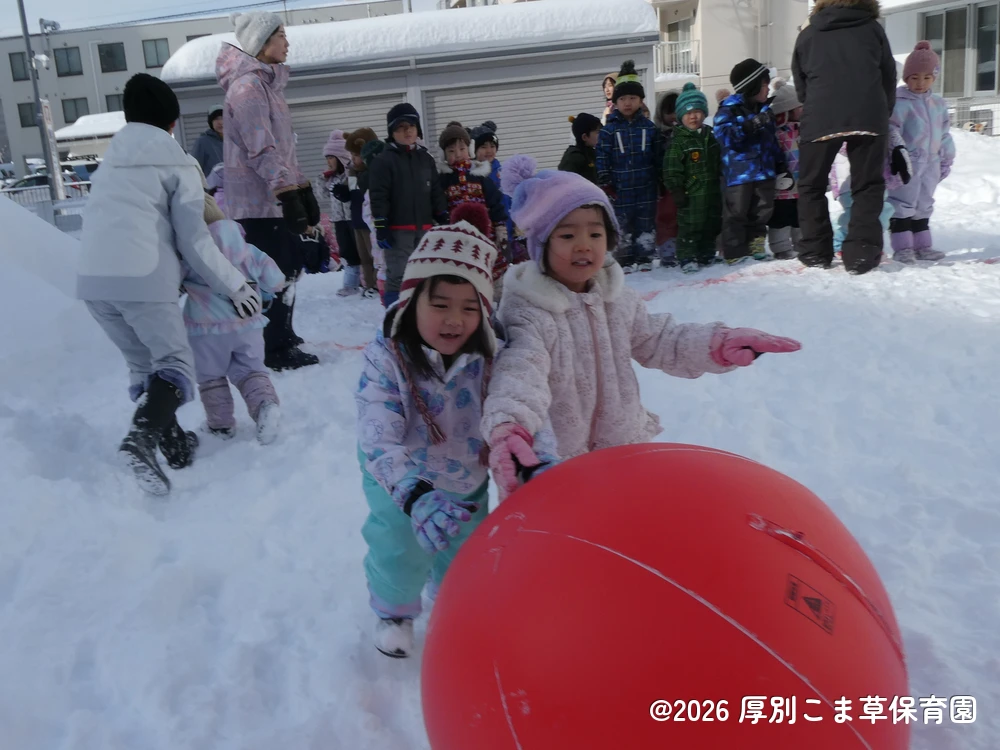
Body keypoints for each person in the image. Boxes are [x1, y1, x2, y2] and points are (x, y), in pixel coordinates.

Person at [482, 156, 801, 498]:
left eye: (595, 232)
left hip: (621, 451)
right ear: (541, 244)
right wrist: (510, 428)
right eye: (567, 234)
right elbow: (520, 373)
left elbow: (661, 339)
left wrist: (717, 343)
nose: (584, 245)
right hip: (555, 467)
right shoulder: (530, 311)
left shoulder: (616, 299)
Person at [356, 202, 556, 658]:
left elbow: (520, 407)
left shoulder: (493, 352)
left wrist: (534, 457)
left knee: (464, 549)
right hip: (400, 478)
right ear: (411, 301)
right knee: (399, 546)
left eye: (470, 308)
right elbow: (377, 434)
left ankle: (452, 601)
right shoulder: (386, 356)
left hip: (466, 471)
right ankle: (395, 611)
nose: (454, 319)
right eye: (440, 304)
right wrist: (413, 493)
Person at [77, 73, 260, 496]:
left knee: (146, 368)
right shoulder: (176, 161)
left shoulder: (111, 161)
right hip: (142, 278)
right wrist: (237, 286)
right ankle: (139, 440)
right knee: (175, 368)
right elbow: (195, 240)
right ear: (173, 122)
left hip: (92, 283)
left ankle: (175, 447)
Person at [218, 12, 321, 370]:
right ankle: (271, 348)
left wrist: (301, 187)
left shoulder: (268, 87)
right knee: (275, 272)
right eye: (281, 35)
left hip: (274, 198)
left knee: (291, 266)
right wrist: (287, 193)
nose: (287, 42)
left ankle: (283, 334)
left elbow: (283, 148)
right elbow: (260, 148)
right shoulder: (248, 88)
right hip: (257, 203)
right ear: (262, 43)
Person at [792, 0, 898, 274]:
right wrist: (882, 112)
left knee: (811, 186)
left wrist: (815, 106)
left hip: (821, 116)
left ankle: (816, 252)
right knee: (868, 185)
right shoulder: (873, 29)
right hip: (869, 116)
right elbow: (888, 74)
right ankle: (861, 253)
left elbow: (800, 80)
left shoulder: (808, 33)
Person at [185, 194, 285, 444]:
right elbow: (276, 279)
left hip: (205, 329)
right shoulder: (248, 250)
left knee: (211, 377)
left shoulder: (191, 254)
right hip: (248, 324)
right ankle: (265, 406)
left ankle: (220, 425)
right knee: (251, 371)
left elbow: (170, 282)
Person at [369, 102, 449, 308]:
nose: (407, 131)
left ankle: (422, 317)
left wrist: (442, 215)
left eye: (411, 126)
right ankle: (394, 320)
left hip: (425, 229)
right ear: (391, 132)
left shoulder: (425, 159)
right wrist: (381, 226)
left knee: (425, 274)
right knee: (398, 275)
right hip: (398, 231)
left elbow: (435, 191)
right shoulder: (383, 161)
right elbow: (379, 198)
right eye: (401, 127)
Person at [886, 42, 955, 263]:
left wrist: (947, 157)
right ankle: (903, 248)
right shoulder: (899, 102)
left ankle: (923, 246)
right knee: (903, 204)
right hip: (909, 163)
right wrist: (895, 156)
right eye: (914, 77)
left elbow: (944, 132)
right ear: (906, 78)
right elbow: (892, 130)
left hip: (932, 162)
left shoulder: (938, 103)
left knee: (924, 203)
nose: (920, 83)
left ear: (934, 77)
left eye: (926, 77)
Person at [713, 59, 784, 264]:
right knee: (736, 213)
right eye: (764, 85)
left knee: (762, 212)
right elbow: (724, 136)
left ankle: (756, 244)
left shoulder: (765, 110)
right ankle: (734, 251)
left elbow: (772, 140)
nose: (767, 89)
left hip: (764, 171)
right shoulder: (729, 109)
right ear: (751, 86)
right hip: (739, 173)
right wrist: (749, 125)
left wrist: (780, 164)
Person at [596, 60, 663, 272]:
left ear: (641, 100)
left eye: (632, 98)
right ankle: (623, 259)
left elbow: (658, 156)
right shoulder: (609, 131)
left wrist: (661, 179)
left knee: (645, 223)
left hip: (646, 186)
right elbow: (602, 156)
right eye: (622, 98)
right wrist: (605, 180)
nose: (627, 103)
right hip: (620, 189)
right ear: (615, 101)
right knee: (622, 226)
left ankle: (644, 257)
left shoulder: (650, 129)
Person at [436, 121, 509, 297]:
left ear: (469, 149)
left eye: (462, 149)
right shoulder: (443, 180)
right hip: (458, 236)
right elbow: (438, 205)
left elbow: (495, 203)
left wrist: (500, 227)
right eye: (451, 151)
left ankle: (497, 298)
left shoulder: (480, 176)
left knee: (493, 265)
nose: (458, 154)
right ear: (444, 155)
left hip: (486, 234)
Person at [663, 83, 722, 273]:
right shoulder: (679, 141)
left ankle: (706, 254)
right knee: (690, 226)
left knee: (710, 223)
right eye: (688, 113)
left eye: (697, 112)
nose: (693, 116)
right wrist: (677, 189)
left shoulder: (709, 136)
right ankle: (687, 256)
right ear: (681, 116)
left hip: (711, 190)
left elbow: (719, 159)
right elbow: (671, 168)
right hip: (690, 193)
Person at [323, 129, 364, 296]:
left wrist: (344, 189)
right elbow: (323, 194)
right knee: (346, 251)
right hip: (339, 220)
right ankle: (350, 283)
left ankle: (364, 282)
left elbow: (355, 193)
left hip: (352, 218)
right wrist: (323, 179)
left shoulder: (351, 173)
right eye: (326, 158)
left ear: (340, 157)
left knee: (359, 251)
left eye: (331, 157)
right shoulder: (331, 178)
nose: (328, 162)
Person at [767, 79, 803, 260]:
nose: (802, 110)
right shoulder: (777, 133)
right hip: (782, 184)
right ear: (787, 110)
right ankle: (780, 246)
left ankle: (801, 243)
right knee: (781, 216)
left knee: (799, 215)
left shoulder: (802, 130)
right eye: (799, 107)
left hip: (800, 183)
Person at [345, 127, 380, 298]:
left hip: (369, 221)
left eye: (356, 155)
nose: (353, 159)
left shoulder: (372, 172)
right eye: (351, 156)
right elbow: (352, 193)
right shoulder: (352, 172)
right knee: (364, 257)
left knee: (375, 256)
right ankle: (369, 284)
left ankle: (378, 283)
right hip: (357, 219)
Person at [655, 90, 680, 267]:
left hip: (685, 183)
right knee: (666, 218)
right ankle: (667, 251)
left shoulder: (688, 135)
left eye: (676, 110)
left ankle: (685, 248)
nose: (673, 116)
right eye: (668, 112)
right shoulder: (656, 135)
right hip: (664, 186)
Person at [558, 113, 602, 185]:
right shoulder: (573, 157)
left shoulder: (592, 152)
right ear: (584, 137)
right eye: (598, 132)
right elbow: (564, 184)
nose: (601, 135)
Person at [190, 105, 225, 176]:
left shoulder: (234, 141)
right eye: (216, 118)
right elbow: (195, 169)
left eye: (223, 118)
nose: (220, 122)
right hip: (212, 186)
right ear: (211, 122)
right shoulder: (202, 142)